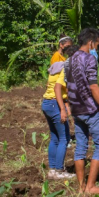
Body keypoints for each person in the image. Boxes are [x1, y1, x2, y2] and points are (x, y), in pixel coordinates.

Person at [65, 28, 99, 194]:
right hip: (90, 110)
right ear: (92, 42)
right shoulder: (90, 59)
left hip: (76, 109)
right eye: (97, 45)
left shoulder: (70, 59)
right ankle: (91, 186)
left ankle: (81, 187)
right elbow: (93, 86)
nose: (96, 48)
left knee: (81, 146)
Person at [41, 45, 78, 180]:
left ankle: (52, 170)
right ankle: (59, 170)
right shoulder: (66, 69)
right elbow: (58, 88)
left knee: (55, 137)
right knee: (64, 138)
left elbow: (53, 86)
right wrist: (63, 108)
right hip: (54, 104)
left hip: (46, 103)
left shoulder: (57, 66)